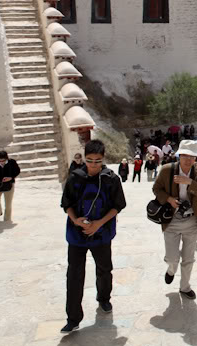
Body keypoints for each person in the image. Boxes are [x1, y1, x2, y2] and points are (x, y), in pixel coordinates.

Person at [59, 139, 127, 334]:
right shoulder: (75, 178)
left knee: (105, 269)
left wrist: (98, 224)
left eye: (97, 161)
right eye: (89, 160)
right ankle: (73, 318)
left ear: (103, 159)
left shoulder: (111, 179)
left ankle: (104, 299)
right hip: (77, 235)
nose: (93, 165)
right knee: (74, 275)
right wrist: (76, 221)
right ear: (84, 158)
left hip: (101, 234)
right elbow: (67, 204)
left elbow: (118, 206)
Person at [152, 140, 197, 299]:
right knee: (173, 258)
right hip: (172, 219)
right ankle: (171, 269)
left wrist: (190, 183)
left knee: (189, 258)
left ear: (195, 158)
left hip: (192, 220)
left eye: (191, 156)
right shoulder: (167, 170)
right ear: (179, 155)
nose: (187, 160)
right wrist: (169, 199)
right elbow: (156, 189)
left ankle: (185, 287)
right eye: (184, 155)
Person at [0, 150, 20, 222]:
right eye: (0, 160)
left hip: (9, 186)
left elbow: (17, 171)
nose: (1, 162)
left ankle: (7, 219)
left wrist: (11, 178)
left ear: (6, 158)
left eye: (3, 160)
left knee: (8, 204)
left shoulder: (12, 162)